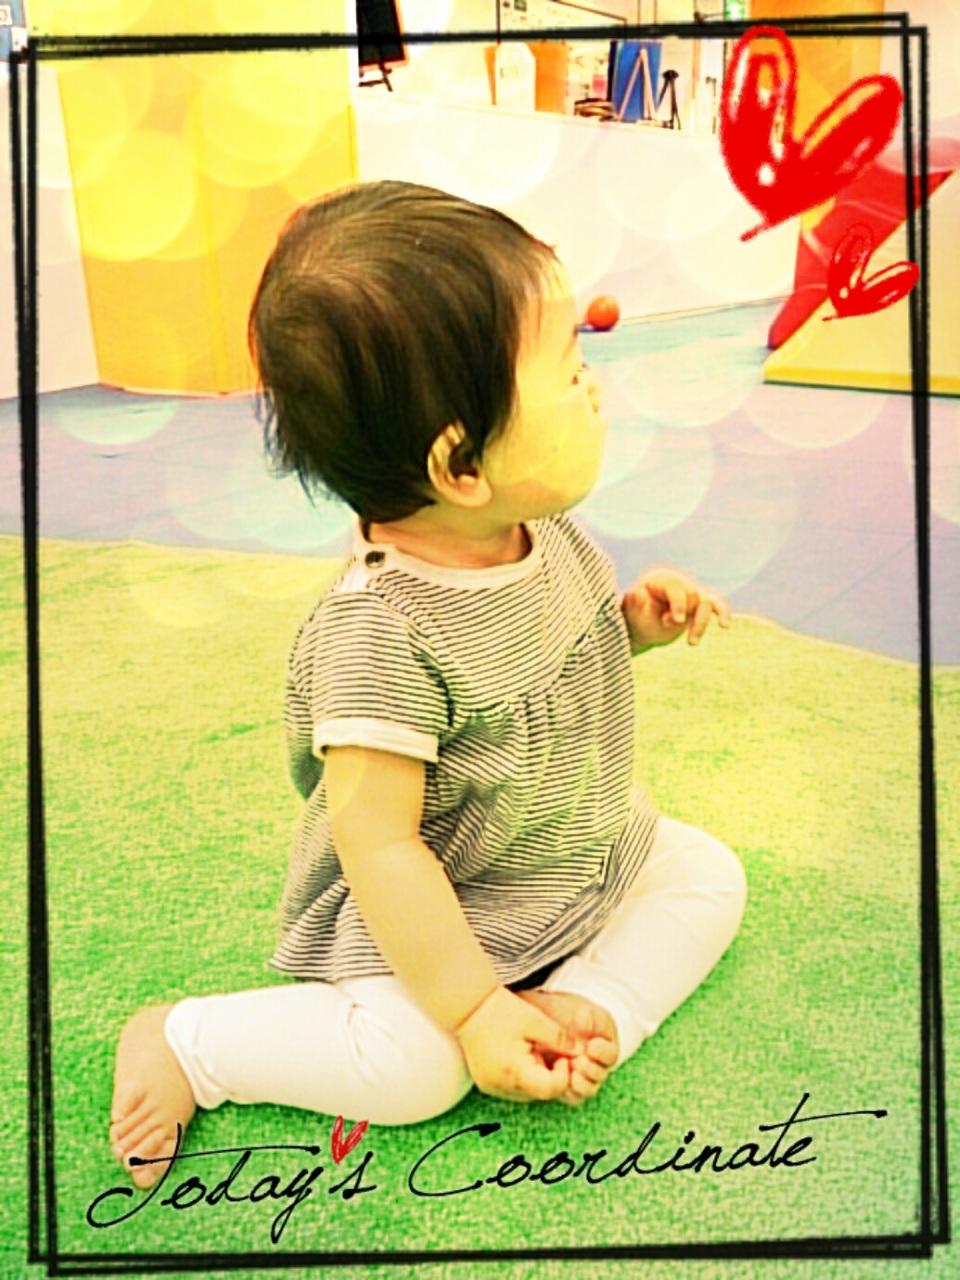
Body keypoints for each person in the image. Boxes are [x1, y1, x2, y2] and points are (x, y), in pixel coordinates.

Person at [109, 181, 747, 1190]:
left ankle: (593, 1001)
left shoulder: (538, 533)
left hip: (567, 850)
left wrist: (632, 625)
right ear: (460, 463)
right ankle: (191, 1042)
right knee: (416, 1069)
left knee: (707, 873)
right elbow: (381, 844)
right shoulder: (380, 633)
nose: (597, 392)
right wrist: (474, 1008)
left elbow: (547, 666)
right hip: (447, 907)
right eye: (571, 372)